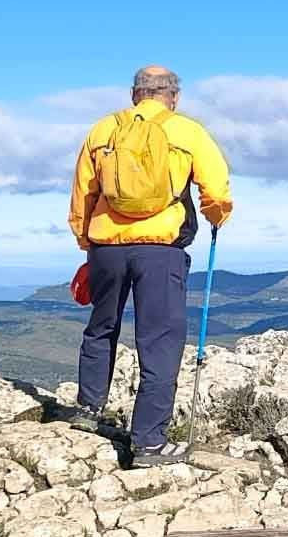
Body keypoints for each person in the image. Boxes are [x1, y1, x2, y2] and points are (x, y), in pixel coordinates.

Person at [67, 66, 233, 464]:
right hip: (160, 250)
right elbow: (216, 187)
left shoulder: (103, 131)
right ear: (173, 96)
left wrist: (86, 240)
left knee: (102, 326)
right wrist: (217, 215)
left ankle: (89, 411)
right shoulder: (186, 131)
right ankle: (148, 442)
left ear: (134, 94)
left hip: (107, 247)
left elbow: (84, 192)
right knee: (159, 340)